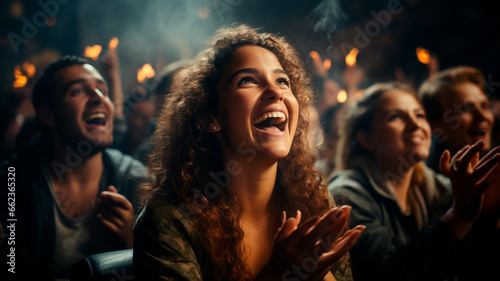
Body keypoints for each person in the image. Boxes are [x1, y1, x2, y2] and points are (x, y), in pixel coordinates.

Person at [133, 24, 365, 281]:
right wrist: (278, 273)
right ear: (211, 116)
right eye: (248, 80)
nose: (276, 91)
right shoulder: (172, 217)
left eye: (282, 81)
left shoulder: (315, 198)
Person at [328, 82, 500, 281]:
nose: (416, 124)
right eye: (396, 117)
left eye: (419, 115)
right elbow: (386, 276)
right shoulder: (347, 194)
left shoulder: (443, 188)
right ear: (367, 139)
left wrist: (489, 218)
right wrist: (459, 217)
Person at [0, 55, 146, 281]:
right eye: (78, 91)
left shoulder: (138, 181)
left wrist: (131, 245)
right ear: (48, 115)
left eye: (103, 91)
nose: (99, 98)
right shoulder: (12, 183)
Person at [418, 66, 500, 280]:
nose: (483, 116)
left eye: (484, 105)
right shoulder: (424, 187)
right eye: (466, 108)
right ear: (435, 124)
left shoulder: (494, 168)